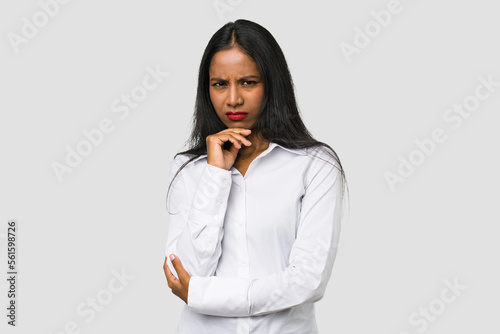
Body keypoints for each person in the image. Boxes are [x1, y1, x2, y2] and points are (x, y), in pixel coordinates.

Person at [163, 19, 348, 334]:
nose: (233, 99)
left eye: (248, 82)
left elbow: (307, 281)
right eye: (219, 84)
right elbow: (186, 274)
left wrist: (204, 295)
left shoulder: (315, 165)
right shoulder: (189, 169)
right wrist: (216, 174)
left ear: (272, 84)